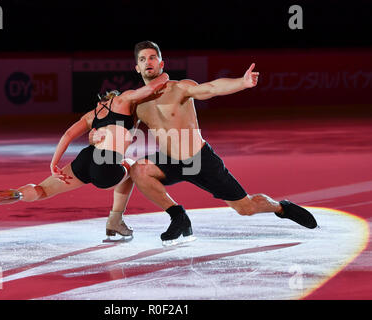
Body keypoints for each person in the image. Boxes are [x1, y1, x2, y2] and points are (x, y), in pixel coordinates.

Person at [90, 41, 317, 245]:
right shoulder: (137, 103)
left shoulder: (179, 88)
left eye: (152, 57)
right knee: (139, 169)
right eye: (142, 59)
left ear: (161, 63)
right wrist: (98, 138)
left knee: (245, 208)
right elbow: (120, 132)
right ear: (137, 68)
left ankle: (281, 207)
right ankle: (178, 216)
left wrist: (242, 82)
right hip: (170, 161)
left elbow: (211, 88)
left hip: (200, 160)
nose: (147, 62)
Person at [0, 71, 169, 239]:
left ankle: (19, 193)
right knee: (132, 166)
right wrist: (164, 74)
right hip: (106, 165)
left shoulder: (91, 115)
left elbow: (68, 135)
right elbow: (151, 87)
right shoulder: (124, 100)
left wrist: (54, 163)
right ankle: (115, 220)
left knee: (42, 190)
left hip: (86, 158)